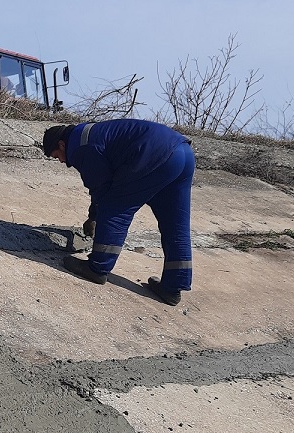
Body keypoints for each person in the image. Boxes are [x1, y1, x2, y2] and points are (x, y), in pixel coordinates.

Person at [42, 119, 195, 305]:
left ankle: (97, 268)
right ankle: (172, 287)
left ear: (61, 144)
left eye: (57, 156)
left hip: (155, 153)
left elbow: (101, 189)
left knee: (114, 206)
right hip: (183, 153)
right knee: (175, 223)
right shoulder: (89, 133)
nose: (61, 160)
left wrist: (94, 217)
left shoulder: (79, 145)